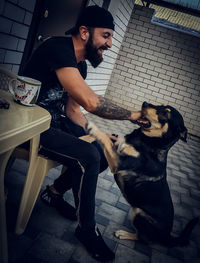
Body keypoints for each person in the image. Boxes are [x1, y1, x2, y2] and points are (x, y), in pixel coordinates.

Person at [23, 5, 141, 261]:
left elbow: (74, 111)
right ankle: (86, 230)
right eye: (106, 35)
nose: (109, 44)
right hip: (31, 124)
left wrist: (98, 134)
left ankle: (53, 193)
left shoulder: (80, 66)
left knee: (100, 150)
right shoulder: (57, 48)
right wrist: (132, 115)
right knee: (88, 154)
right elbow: (90, 102)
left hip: (54, 123)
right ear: (85, 32)